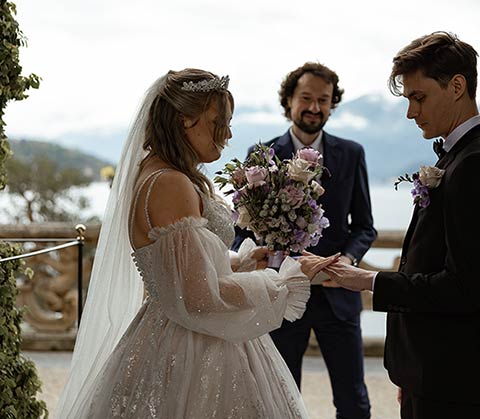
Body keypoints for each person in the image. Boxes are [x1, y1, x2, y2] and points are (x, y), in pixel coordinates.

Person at [55, 69, 338, 418]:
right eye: (220, 121)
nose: (229, 134)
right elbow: (199, 296)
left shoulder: (159, 172)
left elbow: (184, 265)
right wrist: (286, 281)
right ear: (186, 120)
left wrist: (243, 263)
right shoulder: (170, 183)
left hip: (175, 330)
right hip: (194, 344)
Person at [322, 32, 480, 419]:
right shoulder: (458, 157)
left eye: (419, 97)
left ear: (457, 86)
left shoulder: (478, 164)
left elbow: (461, 289)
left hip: (450, 375)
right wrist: (411, 373)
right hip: (430, 371)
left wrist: (366, 280)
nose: (411, 112)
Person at [232, 62, 376, 419]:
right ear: (289, 101)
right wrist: (249, 258)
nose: (315, 108)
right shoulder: (261, 155)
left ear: (332, 104)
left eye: (323, 100)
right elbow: (242, 227)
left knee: (353, 399)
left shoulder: (352, 153)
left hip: (338, 296)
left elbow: (364, 227)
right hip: (280, 293)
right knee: (279, 395)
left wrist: (348, 262)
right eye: (307, 98)